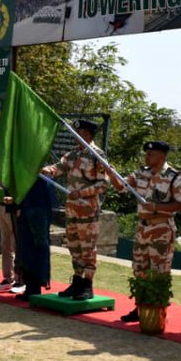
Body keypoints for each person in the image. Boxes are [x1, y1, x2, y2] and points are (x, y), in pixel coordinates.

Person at [111, 141, 181, 323]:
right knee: (140, 269)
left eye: (151, 154)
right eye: (146, 154)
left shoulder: (174, 177)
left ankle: (157, 311)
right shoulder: (141, 173)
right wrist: (110, 171)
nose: (147, 157)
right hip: (143, 228)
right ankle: (140, 307)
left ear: (162, 156)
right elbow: (121, 187)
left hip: (161, 228)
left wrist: (156, 206)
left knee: (159, 271)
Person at [41, 119, 110, 301]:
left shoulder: (98, 155)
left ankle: (87, 284)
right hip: (72, 209)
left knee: (87, 247)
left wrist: (82, 192)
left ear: (87, 134)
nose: (75, 136)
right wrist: (47, 170)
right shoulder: (72, 155)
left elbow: (103, 184)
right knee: (74, 245)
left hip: (87, 209)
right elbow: (60, 167)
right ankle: (77, 280)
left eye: (78, 133)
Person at [12, 175, 58, 301]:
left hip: (39, 208)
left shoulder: (41, 167)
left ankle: (35, 286)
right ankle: (30, 287)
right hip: (26, 207)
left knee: (37, 247)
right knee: (25, 247)